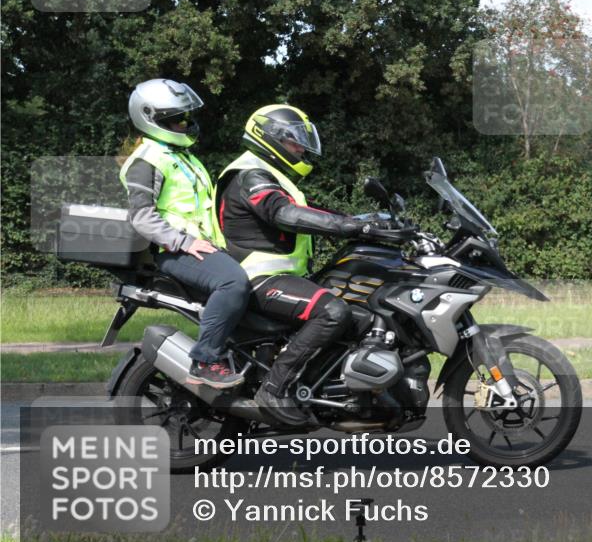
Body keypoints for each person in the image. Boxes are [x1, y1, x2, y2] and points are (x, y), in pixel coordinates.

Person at [216, 104, 410, 424]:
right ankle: (274, 388)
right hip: (258, 278)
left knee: (366, 319)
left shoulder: (272, 175)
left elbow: (312, 211)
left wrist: (368, 221)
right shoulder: (250, 174)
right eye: (294, 141)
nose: (301, 148)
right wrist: (354, 227)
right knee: (333, 311)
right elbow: (284, 214)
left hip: (281, 277)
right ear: (271, 138)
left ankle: (359, 397)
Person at [120, 79, 251, 389]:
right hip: (175, 252)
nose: (184, 124)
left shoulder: (182, 156)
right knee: (233, 282)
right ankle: (205, 360)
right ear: (150, 118)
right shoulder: (147, 159)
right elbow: (141, 216)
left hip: (201, 249)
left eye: (186, 117)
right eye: (176, 119)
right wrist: (184, 241)